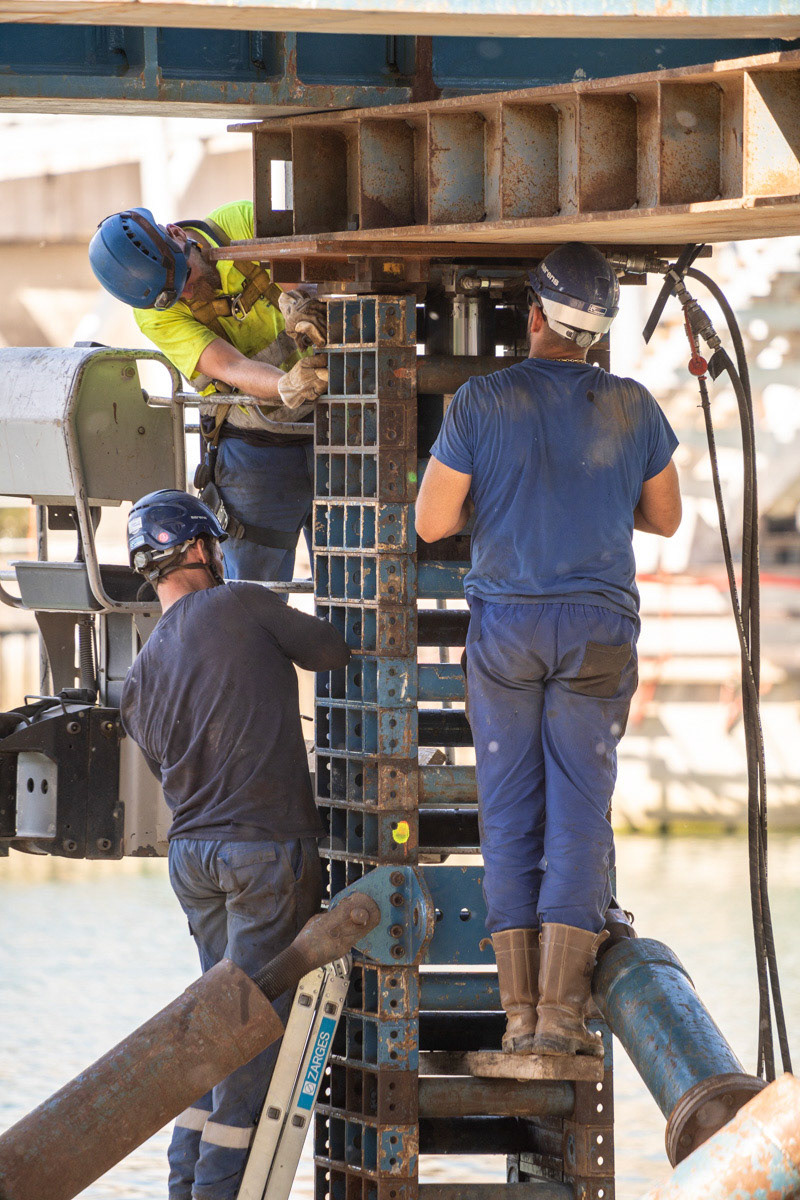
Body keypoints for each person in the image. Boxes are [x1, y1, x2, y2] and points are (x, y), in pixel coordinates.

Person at [415, 243, 681, 1059]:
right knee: (579, 813)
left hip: (510, 634)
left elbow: (430, 523)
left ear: (533, 315)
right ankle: (562, 1023)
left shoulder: (479, 403)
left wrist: (502, 498)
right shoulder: (632, 406)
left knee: (511, 815)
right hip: (599, 632)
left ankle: (520, 1016)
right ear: (596, 334)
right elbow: (664, 518)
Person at [120, 488, 350, 1200]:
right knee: (251, 1038)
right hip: (262, 854)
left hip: (192, 861)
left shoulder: (139, 674)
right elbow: (334, 649)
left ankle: (186, 1182)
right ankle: (215, 1191)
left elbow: (166, 770)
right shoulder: (242, 603)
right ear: (199, 549)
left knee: (214, 1025)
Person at [89, 202, 328, 584]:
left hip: (334, 426)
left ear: (178, 235)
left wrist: (299, 299)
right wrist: (287, 385)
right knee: (254, 595)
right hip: (258, 448)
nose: (186, 294)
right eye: (174, 296)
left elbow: (298, 260)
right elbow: (230, 367)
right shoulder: (153, 311)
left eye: (186, 278)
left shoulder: (240, 221)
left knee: (351, 577)